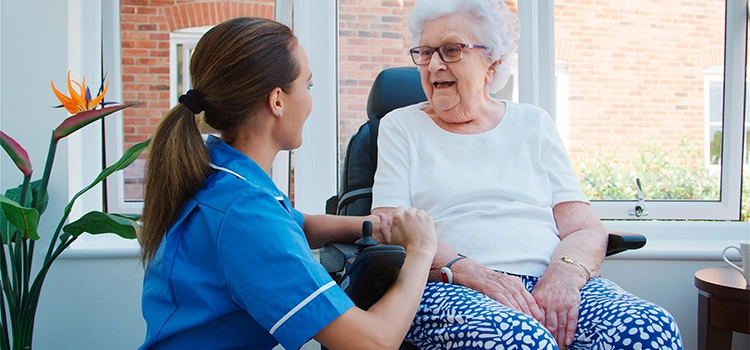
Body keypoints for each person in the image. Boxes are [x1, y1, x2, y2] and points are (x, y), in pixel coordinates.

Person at [371, 1, 683, 349]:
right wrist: (473, 273)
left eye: (451, 50)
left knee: (649, 328)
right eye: (425, 52)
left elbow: (584, 227)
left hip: (548, 276)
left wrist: (565, 273)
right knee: (520, 341)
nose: (434, 64)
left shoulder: (533, 123)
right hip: (451, 285)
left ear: (493, 62)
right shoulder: (401, 126)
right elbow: (389, 221)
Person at [138, 17, 437, 350]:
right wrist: (421, 251)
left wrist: (372, 224)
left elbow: (297, 225)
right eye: (307, 86)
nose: (310, 100)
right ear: (277, 100)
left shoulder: (222, 171)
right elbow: (373, 342)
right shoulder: (246, 212)